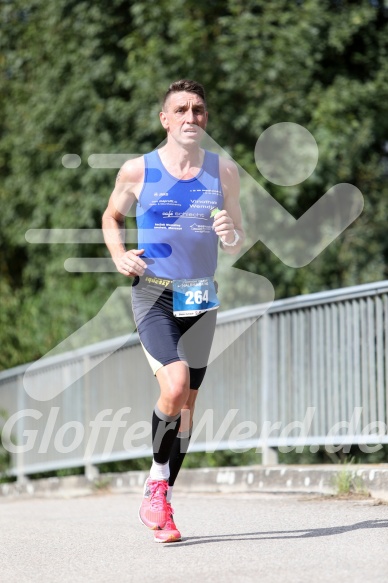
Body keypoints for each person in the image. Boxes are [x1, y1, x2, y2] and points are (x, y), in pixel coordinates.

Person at [102, 79, 244, 543]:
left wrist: (230, 233)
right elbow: (111, 217)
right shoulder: (138, 171)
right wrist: (118, 254)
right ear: (165, 119)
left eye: (198, 110)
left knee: (186, 410)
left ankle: (159, 495)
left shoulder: (224, 173)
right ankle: (158, 483)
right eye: (180, 109)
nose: (190, 117)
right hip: (155, 293)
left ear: (205, 119)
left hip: (201, 295)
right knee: (176, 384)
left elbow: (236, 232)